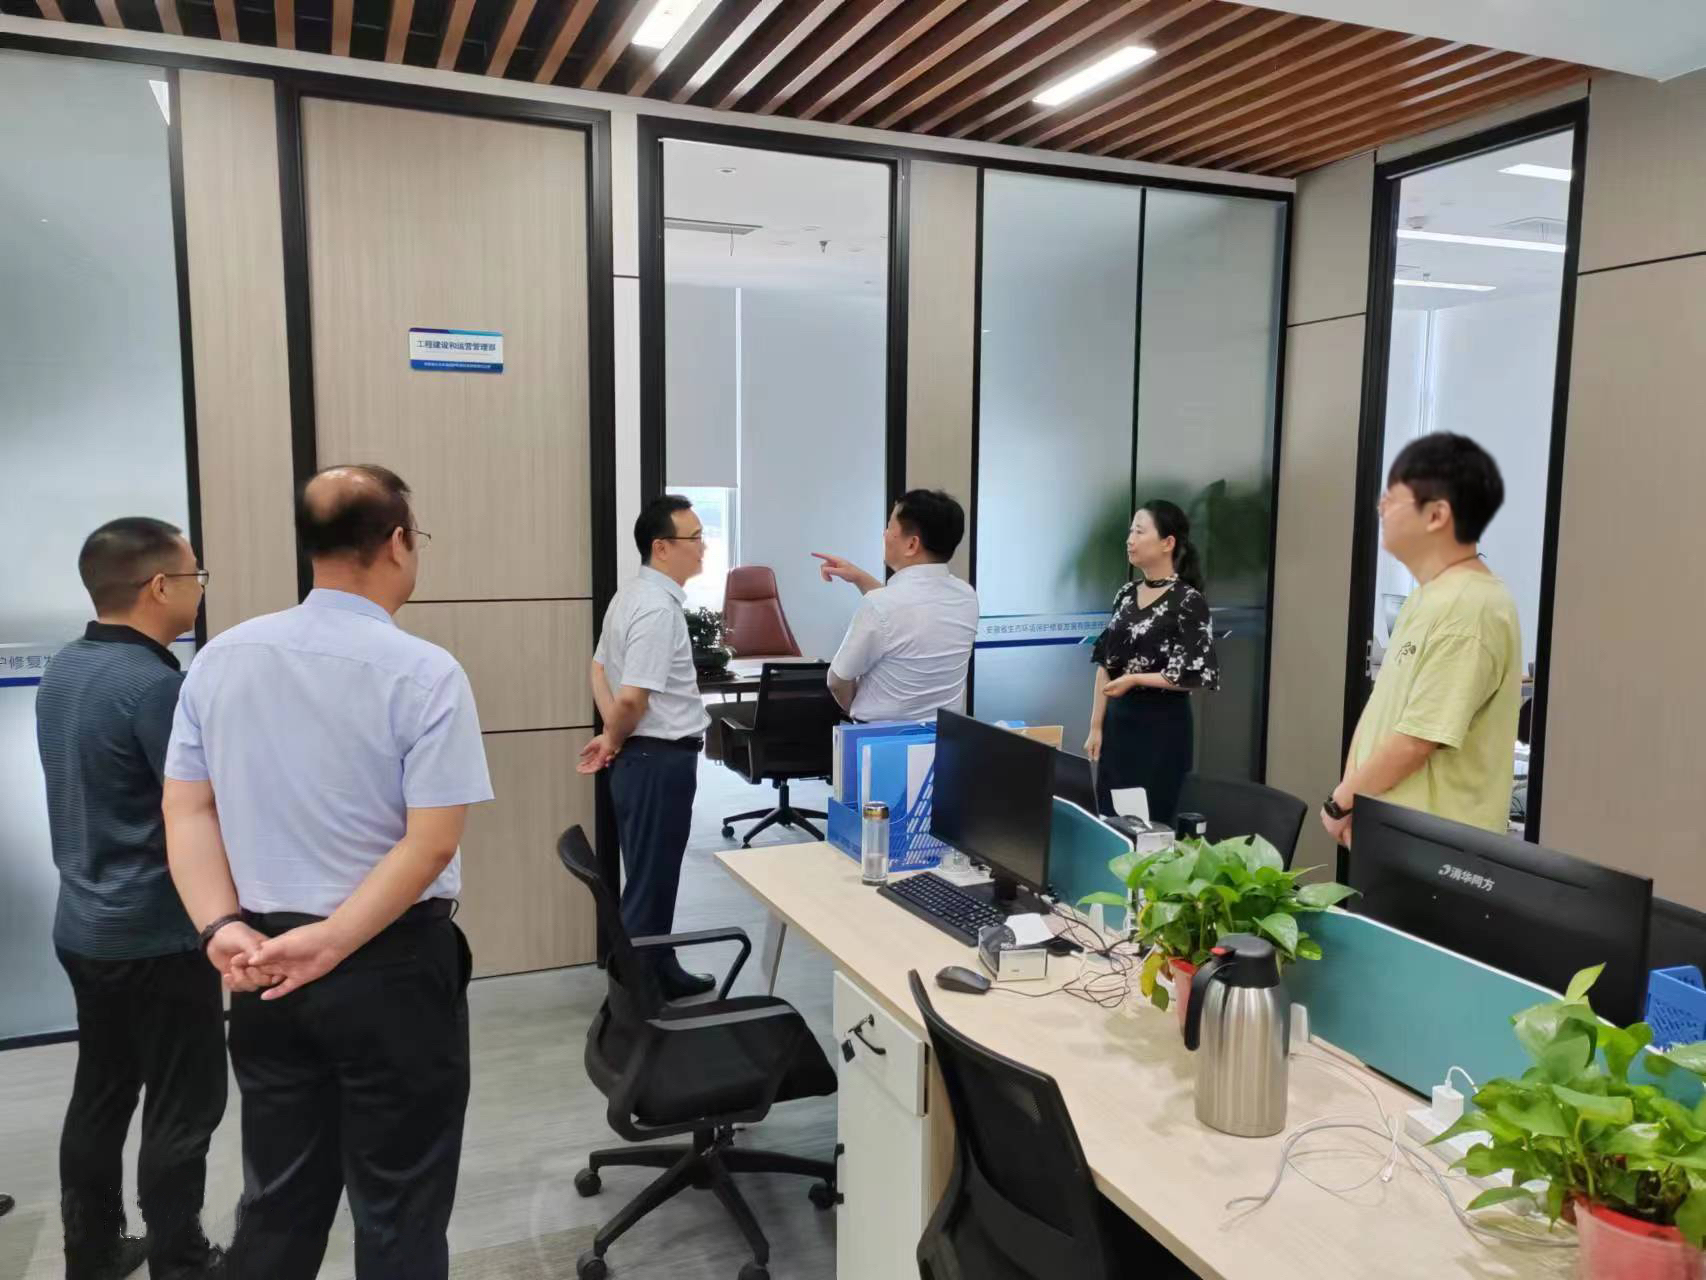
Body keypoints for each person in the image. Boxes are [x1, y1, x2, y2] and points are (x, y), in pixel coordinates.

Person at [163, 465, 492, 1280]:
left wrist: (220, 926)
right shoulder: (425, 672)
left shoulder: (219, 659)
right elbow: (430, 845)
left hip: (261, 963)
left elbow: (188, 810)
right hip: (390, 965)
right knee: (401, 1205)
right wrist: (335, 940)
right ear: (398, 543)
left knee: (278, 1199)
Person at [35, 517, 225, 1280]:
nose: (199, 589)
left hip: (84, 926)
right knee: (185, 1103)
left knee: (102, 1092)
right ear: (159, 586)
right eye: (195, 576)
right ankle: (182, 1261)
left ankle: (92, 1253)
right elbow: (199, 809)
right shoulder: (155, 688)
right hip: (157, 934)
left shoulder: (65, 667)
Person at [1323, 433, 1520, 846]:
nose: (1381, 509)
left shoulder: (1471, 607)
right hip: (1388, 833)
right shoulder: (1427, 597)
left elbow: (1416, 740)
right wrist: (1349, 796)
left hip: (1434, 851)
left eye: (1392, 499)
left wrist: (1340, 803)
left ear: (1436, 515)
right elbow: (1381, 712)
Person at [579, 495, 714, 999]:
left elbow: (598, 670)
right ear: (661, 547)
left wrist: (612, 737)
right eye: (694, 537)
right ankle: (633, 1004)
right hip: (658, 761)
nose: (703, 546)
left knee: (651, 877)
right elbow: (633, 697)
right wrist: (615, 736)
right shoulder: (657, 609)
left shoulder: (630, 595)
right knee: (648, 885)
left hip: (641, 758)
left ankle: (661, 968)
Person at [1086, 501, 1219, 824]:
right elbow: (1106, 662)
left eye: (1139, 531)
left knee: (1153, 824)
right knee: (1112, 819)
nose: (1130, 539)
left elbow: (1193, 673)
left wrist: (1135, 679)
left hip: (1162, 729)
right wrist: (1096, 726)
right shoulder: (1126, 594)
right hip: (1119, 726)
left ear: (1167, 543)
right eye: (1130, 531)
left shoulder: (1188, 600)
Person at [813, 489, 978, 722]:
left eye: (890, 527)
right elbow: (909, 612)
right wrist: (858, 576)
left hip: (880, 736)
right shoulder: (966, 596)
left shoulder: (880, 605)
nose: (885, 534)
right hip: (945, 734)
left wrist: (857, 709)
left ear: (912, 544)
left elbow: (837, 681)